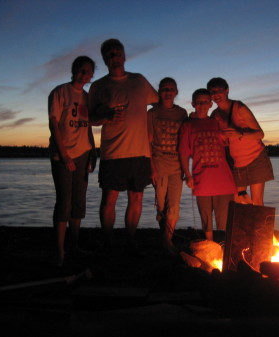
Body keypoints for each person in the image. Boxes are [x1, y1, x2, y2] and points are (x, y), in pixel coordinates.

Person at [88, 39, 158, 255]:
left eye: (117, 53)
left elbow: (157, 104)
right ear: (105, 59)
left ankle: (131, 239)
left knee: (136, 197)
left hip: (140, 152)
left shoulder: (139, 81)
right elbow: (90, 118)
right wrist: (106, 114)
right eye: (109, 54)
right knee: (109, 198)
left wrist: (152, 131)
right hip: (112, 152)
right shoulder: (98, 86)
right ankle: (108, 241)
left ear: (124, 56)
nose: (114, 57)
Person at [48, 55, 97, 267]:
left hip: (83, 153)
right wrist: (64, 155)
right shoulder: (59, 92)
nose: (84, 74)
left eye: (87, 71)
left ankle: (74, 245)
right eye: (81, 69)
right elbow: (54, 124)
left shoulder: (87, 97)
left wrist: (92, 152)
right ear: (74, 70)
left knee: (79, 202)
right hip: (63, 155)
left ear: (91, 75)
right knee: (64, 201)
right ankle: (59, 250)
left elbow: (87, 127)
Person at [179, 89, 237, 241]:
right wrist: (187, 175)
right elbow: (184, 152)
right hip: (201, 177)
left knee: (224, 217)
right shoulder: (188, 125)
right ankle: (210, 244)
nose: (202, 105)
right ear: (193, 104)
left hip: (223, 178)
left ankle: (224, 246)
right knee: (206, 216)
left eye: (205, 102)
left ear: (210, 104)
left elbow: (229, 142)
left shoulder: (216, 122)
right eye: (199, 102)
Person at [207, 77, 274, 206]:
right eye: (212, 92)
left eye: (219, 91)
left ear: (226, 91)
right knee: (238, 199)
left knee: (257, 201)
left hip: (256, 157)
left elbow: (260, 134)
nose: (216, 95)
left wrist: (240, 133)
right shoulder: (215, 115)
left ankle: (259, 226)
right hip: (236, 163)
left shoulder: (239, 108)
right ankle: (244, 226)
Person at [148, 77, 188, 255]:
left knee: (174, 205)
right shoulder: (152, 113)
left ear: (176, 92)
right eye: (164, 89)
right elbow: (147, 143)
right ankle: (165, 240)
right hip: (159, 164)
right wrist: (152, 168)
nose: (168, 92)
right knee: (161, 206)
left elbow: (185, 143)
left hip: (177, 166)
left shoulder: (182, 113)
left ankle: (167, 242)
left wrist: (186, 168)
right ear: (160, 92)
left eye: (171, 89)